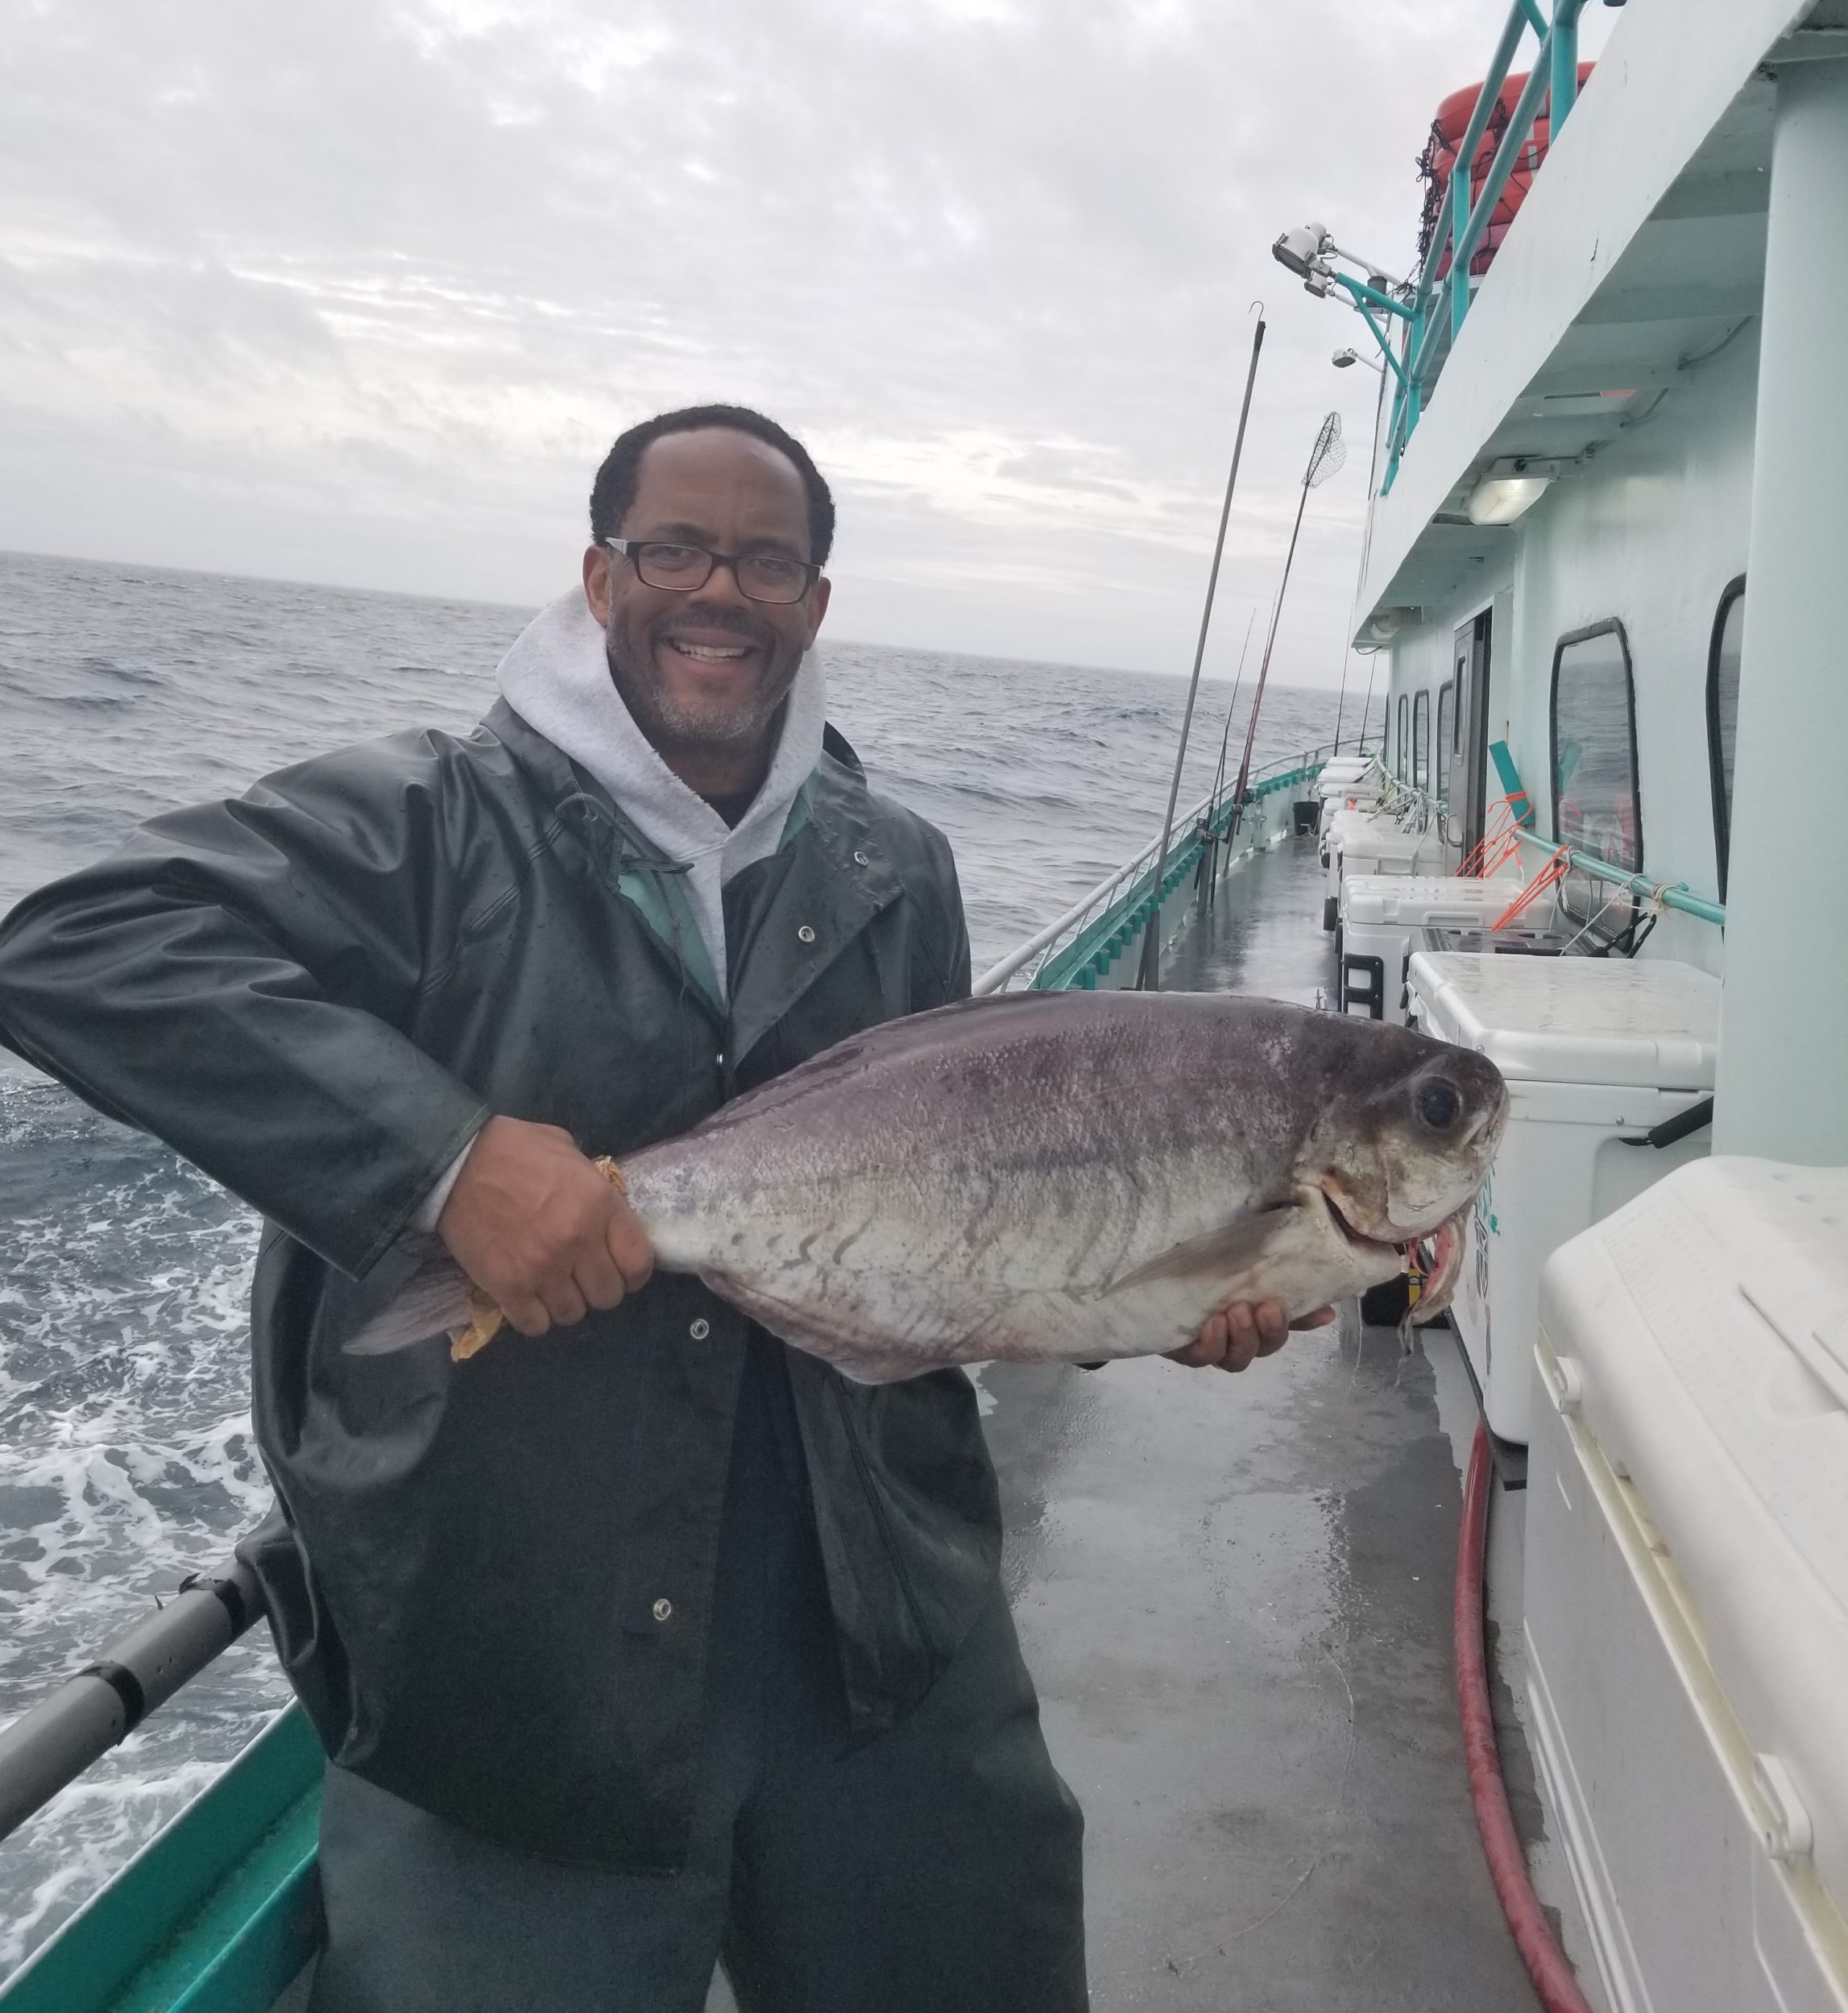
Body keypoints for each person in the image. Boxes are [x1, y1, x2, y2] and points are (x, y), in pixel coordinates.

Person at [0, 404, 1320, 2013]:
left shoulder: (895, 862)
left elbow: (959, 1216)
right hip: (519, 1653)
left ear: (815, 600)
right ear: (598, 571)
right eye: (676, 546)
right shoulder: (427, 821)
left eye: (768, 558)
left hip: (877, 1618)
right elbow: (79, 941)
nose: (721, 589)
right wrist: (443, 1156)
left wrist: (1142, 1289)